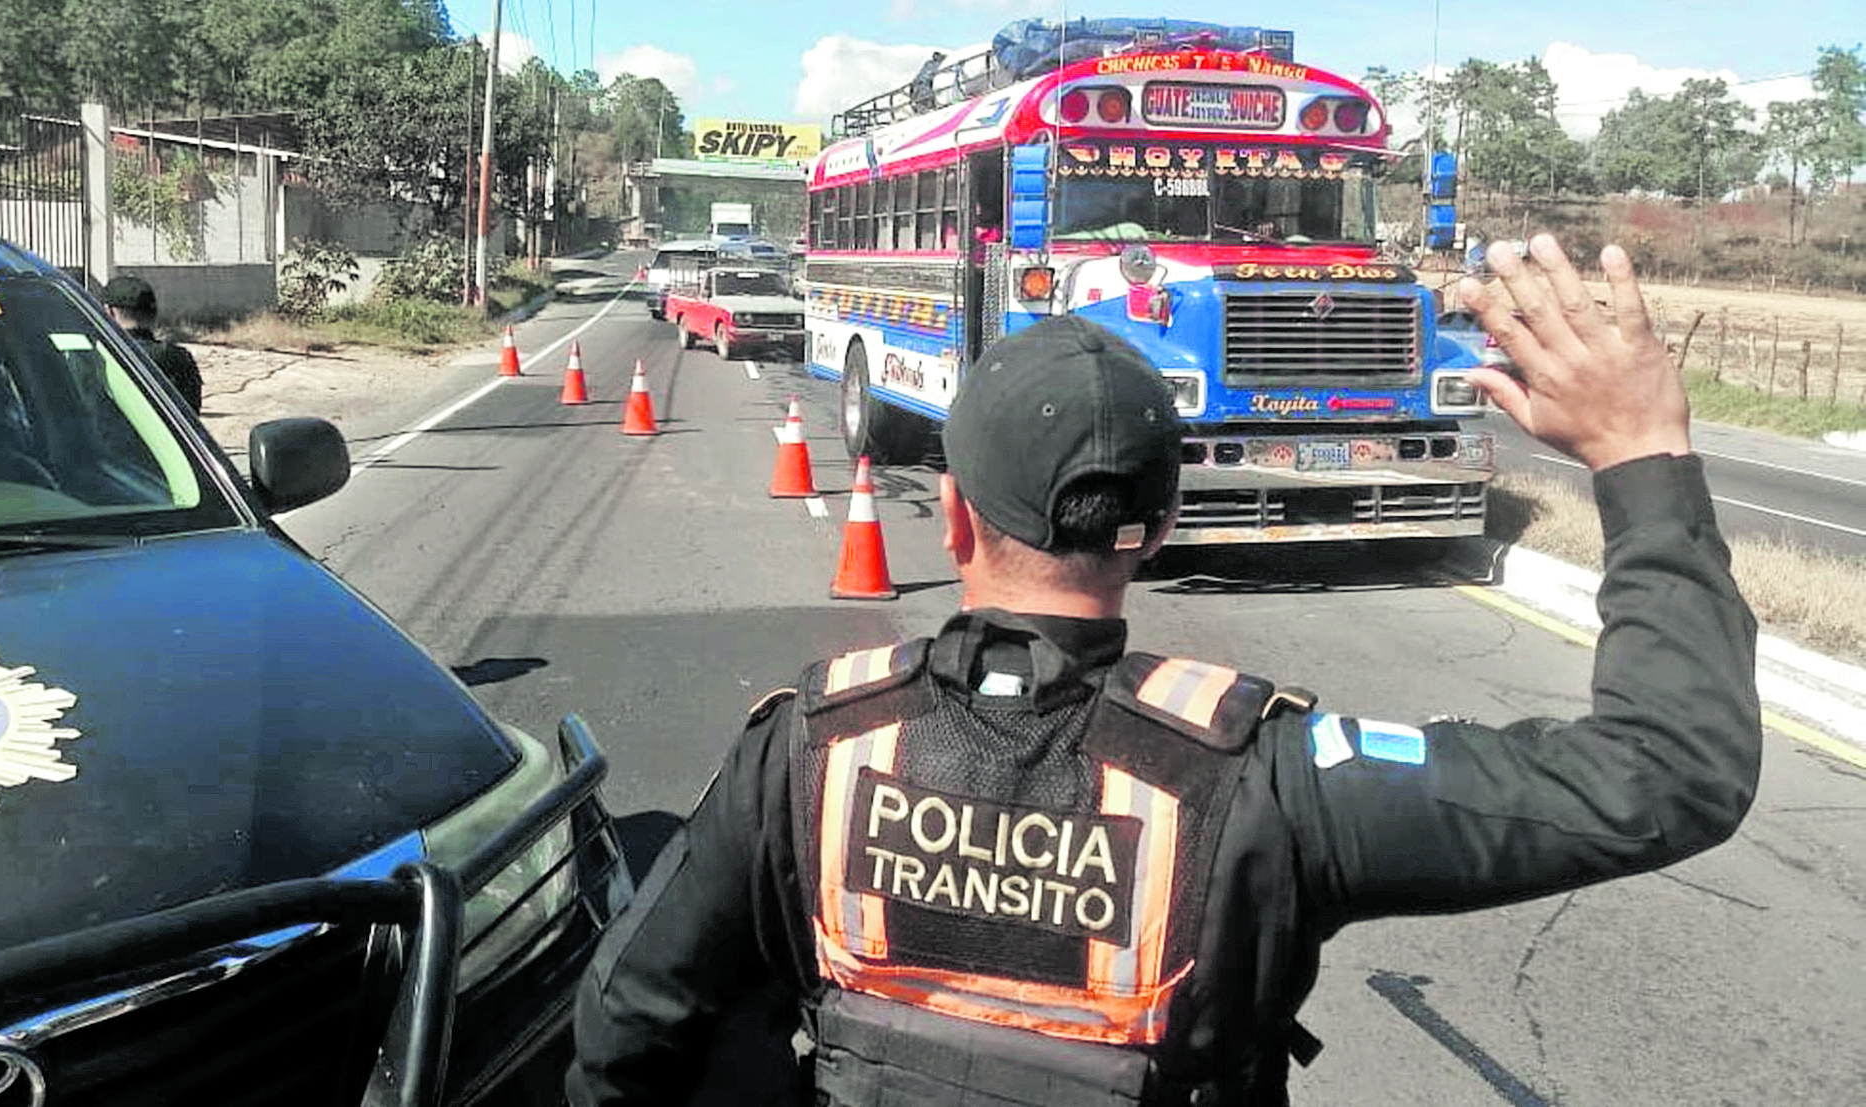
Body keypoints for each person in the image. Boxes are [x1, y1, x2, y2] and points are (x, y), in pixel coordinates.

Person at [564, 235, 1762, 1107]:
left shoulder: (811, 748)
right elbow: (1669, 770)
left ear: (958, 521)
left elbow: (630, 1027)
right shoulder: (1273, 783)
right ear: (1163, 518)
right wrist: (1643, 457)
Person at [99, 273, 203, 415]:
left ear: (109, 312)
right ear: (153, 313)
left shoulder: (96, 358)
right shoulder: (179, 359)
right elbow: (191, 416)